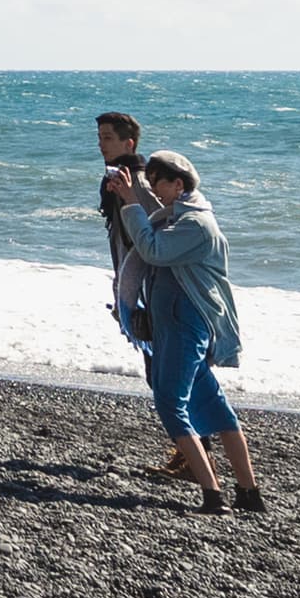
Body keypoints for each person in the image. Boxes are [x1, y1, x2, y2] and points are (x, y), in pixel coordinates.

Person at [123, 150, 267, 514]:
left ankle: (213, 495)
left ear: (179, 184)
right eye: (150, 179)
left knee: (171, 404)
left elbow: (152, 250)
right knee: (212, 407)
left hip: (185, 326)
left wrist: (129, 204)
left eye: (158, 181)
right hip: (177, 324)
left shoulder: (195, 226)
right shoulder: (176, 217)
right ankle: (248, 494)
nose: (153, 187)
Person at [97, 112, 183, 475]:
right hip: (135, 285)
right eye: (99, 137)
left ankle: (193, 454)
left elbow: (159, 228)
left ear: (128, 143)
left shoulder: (139, 183)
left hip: (153, 289)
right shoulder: (116, 180)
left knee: (163, 374)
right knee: (157, 373)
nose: (101, 144)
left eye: (108, 138)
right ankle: (188, 451)